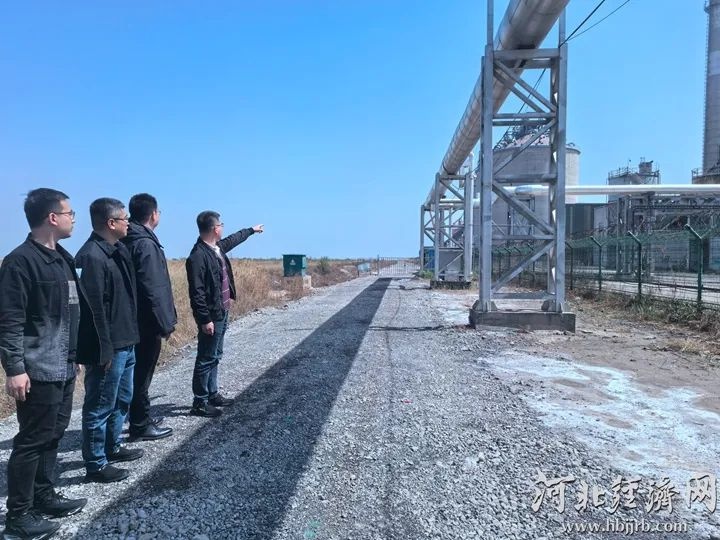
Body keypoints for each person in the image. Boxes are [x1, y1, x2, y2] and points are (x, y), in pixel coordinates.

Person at [0, 188, 95, 539]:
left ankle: (44, 495)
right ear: (52, 218)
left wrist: (76, 356)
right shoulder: (20, 262)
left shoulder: (62, 259)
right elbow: (10, 320)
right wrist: (15, 369)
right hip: (37, 367)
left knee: (53, 434)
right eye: (70, 213)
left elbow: (70, 313)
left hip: (64, 363)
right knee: (31, 440)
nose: (73, 219)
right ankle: (18, 517)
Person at [75, 198, 143, 483]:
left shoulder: (117, 250)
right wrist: (102, 350)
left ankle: (112, 447)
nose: (129, 223)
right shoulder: (91, 257)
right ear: (111, 223)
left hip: (127, 340)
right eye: (125, 219)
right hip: (109, 348)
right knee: (100, 404)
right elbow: (93, 310)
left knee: (122, 398)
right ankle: (96, 463)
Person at [186, 212, 263, 417]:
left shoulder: (217, 248)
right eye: (221, 224)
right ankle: (199, 402)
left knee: (215, 355)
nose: (223, 227)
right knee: (206, 357)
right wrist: (205, 319)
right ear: (215, 228)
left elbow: (233, 240)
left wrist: (251, 231)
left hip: (222, 310)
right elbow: (197, 293)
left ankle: (212, 394)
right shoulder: (198, 256)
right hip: (212, 315)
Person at [121, 193, 175, 441]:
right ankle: (140, 424)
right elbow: (154, 288)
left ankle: (138, 419)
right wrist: (165, 323)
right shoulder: (144, 243)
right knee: (142, 374)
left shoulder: (129, 238)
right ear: (153, 214)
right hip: (146, 322)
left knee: (136, 373)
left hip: (133, 319)